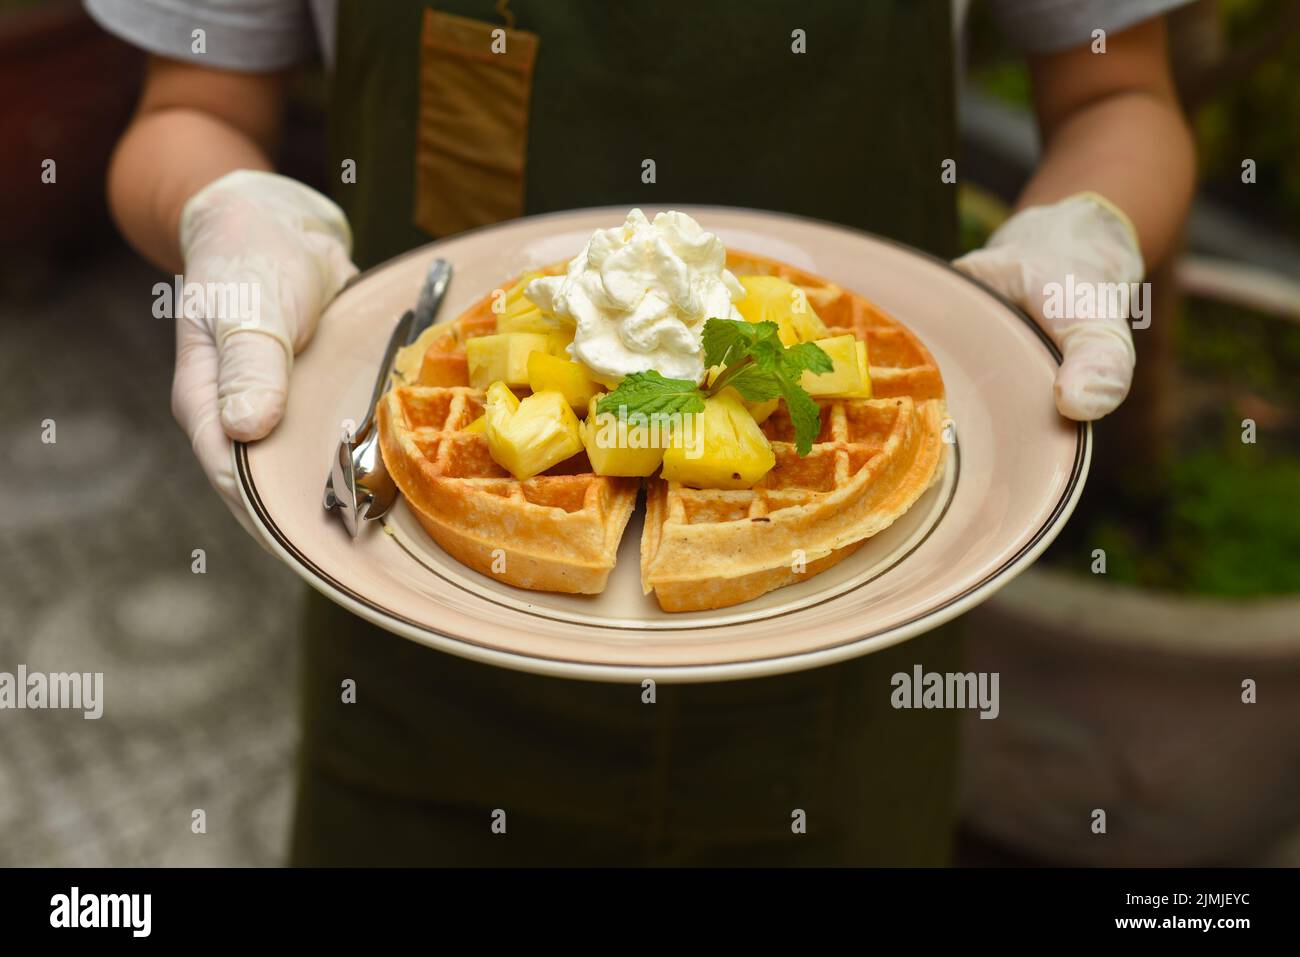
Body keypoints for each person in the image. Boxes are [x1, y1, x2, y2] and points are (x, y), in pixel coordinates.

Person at [89, 0, 1196, 865]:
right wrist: (223, 213)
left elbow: (1117, 96)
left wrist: (1086, 232)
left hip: (844, 685)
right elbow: (191, 108)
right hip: (420, 663)